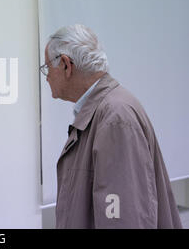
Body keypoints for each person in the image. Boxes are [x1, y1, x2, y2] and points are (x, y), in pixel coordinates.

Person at [40, 24, 182, 229]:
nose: (46, 77)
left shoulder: (114, 118)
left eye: (47, 67)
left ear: (65, 65)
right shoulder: (108, 110)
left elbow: (124, 219)